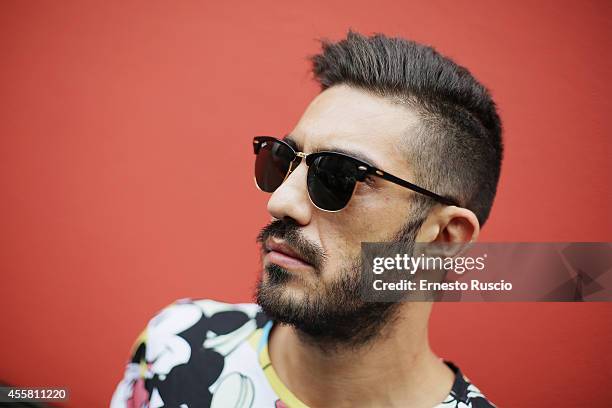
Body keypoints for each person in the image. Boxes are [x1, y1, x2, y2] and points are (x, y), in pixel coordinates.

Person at [111, 30, 502, 408]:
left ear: (444, 238)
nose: (281, 202)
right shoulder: (176, 347)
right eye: (281, 159)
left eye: (338, 175)